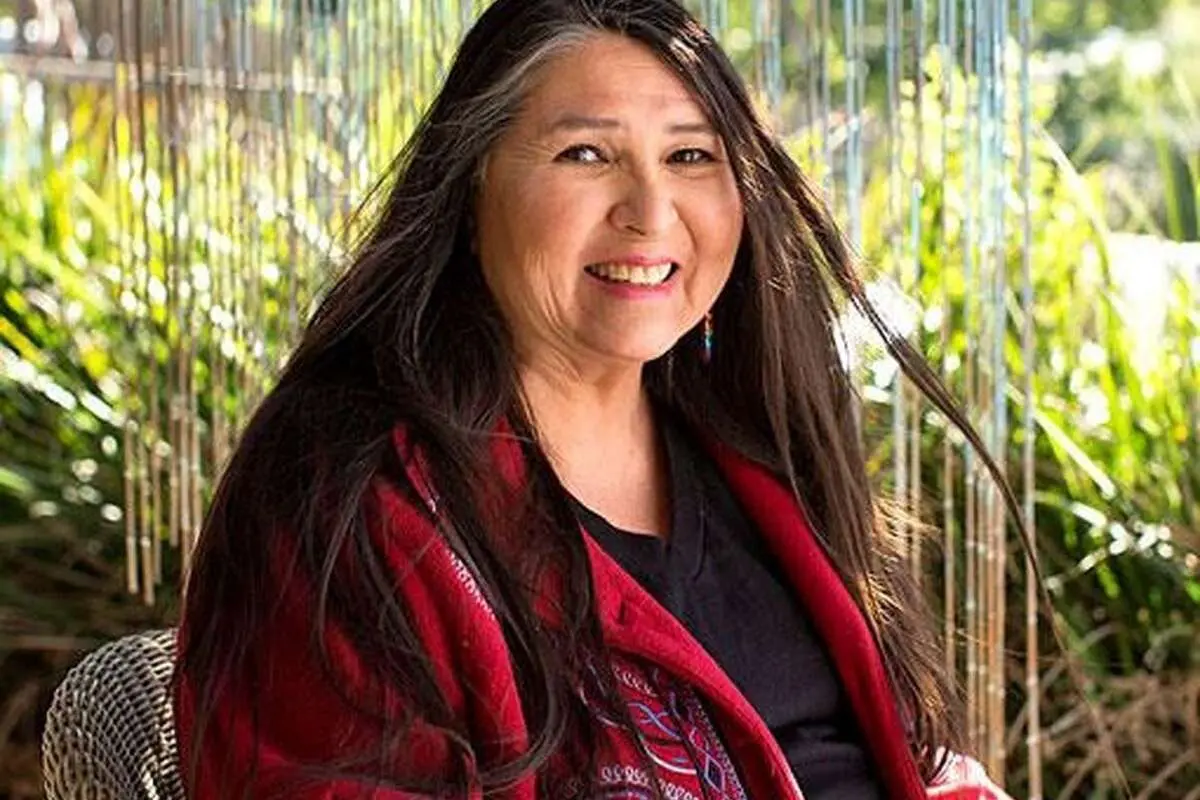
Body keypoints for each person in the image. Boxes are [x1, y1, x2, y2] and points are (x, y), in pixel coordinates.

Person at [174, 1, 1018, 797]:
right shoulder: (353, 499)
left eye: (690, 156)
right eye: (585, 154)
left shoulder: (763, 448)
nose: (650, 212)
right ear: (471, 189)